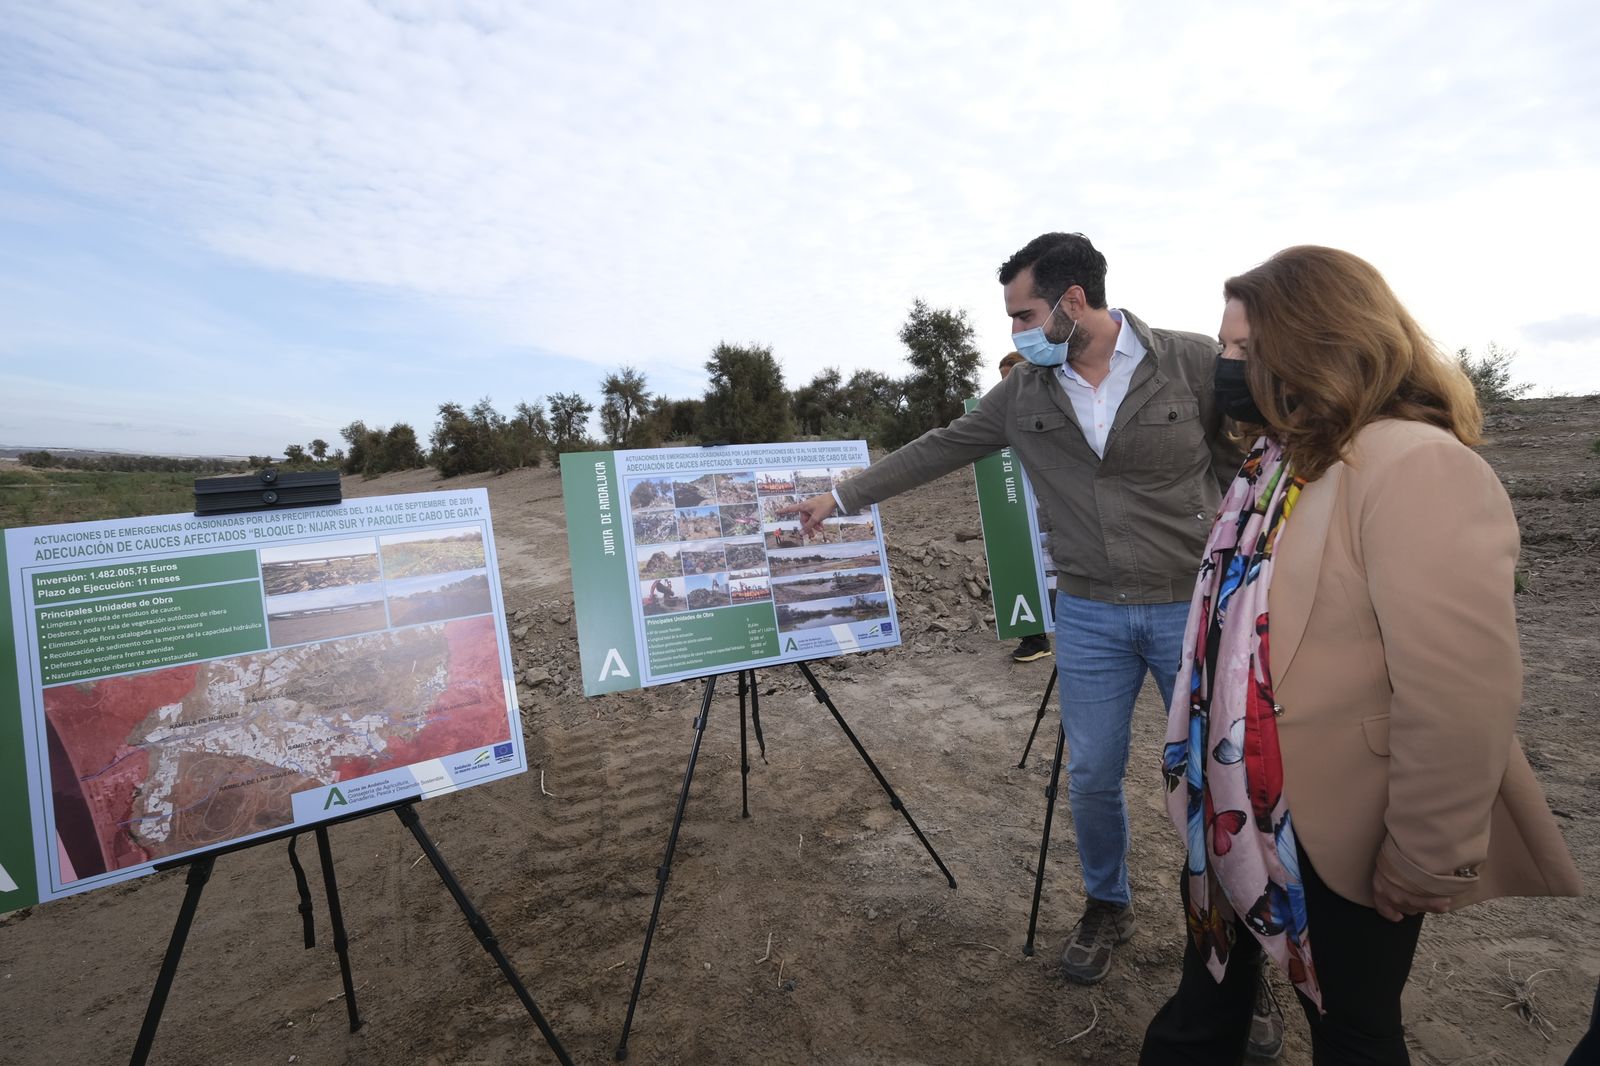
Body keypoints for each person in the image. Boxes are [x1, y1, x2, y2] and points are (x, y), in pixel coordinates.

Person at [1141, 246, 1583, 1065]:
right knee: (1204, 999)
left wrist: (1424, 856)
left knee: (1349, 1032)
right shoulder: (1275, 462)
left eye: (1242, 350)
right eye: (1224, 349)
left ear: (1314, 343)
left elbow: (1459, 697)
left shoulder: (1418, 466)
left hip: (1340, 826)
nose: (1226, 366)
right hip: (1237, 807)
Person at [790, 232, 1245, 990]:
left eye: (1023, 313)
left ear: (1074, 301)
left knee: (1214, 781)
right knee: (1093, 773)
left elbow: (1238, 464)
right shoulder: (1025, 394)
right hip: (1091, 616)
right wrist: (839, 497)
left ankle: (1235, 945)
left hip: (1188, 610)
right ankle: (1108, 902)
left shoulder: (1192, 361)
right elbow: (939, 447)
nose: (1015, 332)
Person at [998, 350, 1052, 664]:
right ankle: (1034, 636)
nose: (1007, 386)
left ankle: (1041, 636)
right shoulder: (1005, 413)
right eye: (1003, 381)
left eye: (1011, 378)